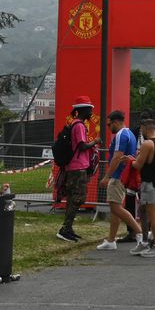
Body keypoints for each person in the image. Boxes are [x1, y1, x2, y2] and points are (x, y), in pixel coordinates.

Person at [96, 110, 144, 251]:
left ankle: (140, 233)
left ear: (116, 122)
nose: (109, 127)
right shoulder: (130, 134)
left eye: (110, 124)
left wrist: (107, 176)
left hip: (117, 177)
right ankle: (111, 240)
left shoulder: (120, 135)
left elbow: (117, 157)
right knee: (115, 208)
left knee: (116, 208)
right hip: (123, 176)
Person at [55, 95, 98, 242]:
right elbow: (82, 146)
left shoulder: (74, 123)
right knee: (78, 198)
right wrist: (95, 142)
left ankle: (68, 228)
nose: (91, 112)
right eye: (89, 109)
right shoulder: (79, 125)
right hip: (77, 167)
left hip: (73, 166)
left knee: (74, 198)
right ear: (81, 110)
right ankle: (65, 229)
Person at [129, 115, 155, 258]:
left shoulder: (147, 144)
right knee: (143, 210)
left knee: (152, 214)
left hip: (149, 182)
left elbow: (138, 164)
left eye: (141, 129)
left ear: (144, 128)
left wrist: (131, 160)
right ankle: (145, 242)